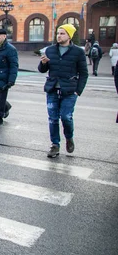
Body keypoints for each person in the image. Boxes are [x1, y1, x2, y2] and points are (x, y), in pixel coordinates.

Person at [38, 24, 88, 158]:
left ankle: (69, 137)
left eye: (62, 33)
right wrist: (43, 63)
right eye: (58, 33)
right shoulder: (50, 50)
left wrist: (78, 90)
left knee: (66, 117)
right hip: (52, 89)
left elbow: (84, 73)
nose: (59, 36)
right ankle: (55, 145)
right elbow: (42, 70)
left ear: (69, 36)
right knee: (53, 119)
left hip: (69, 91)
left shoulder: (78, 52)